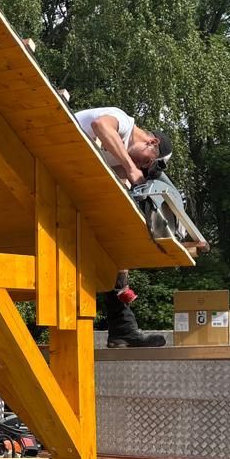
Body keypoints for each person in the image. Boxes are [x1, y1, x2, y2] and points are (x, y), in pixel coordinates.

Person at [73, 106, 172, 347]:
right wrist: (130, 168)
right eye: (147, 161)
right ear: (152, 141)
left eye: (146, 166)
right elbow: (100, 125)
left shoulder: (117, 157)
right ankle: (123, 327)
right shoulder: (123, 121)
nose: (141, 165)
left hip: (72, 190)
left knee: (116, 248)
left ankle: (122, 329)